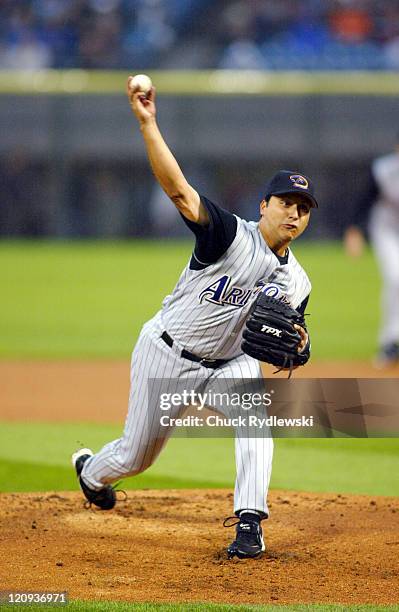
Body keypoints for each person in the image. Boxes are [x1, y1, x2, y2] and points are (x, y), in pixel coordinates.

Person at [72, 77, 318, 560]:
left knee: (256, 419)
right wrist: (148, 124)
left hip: (228, 365)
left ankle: (250, 524)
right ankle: (90, 474)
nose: (294, 213)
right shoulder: (228, 235)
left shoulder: (300, 280)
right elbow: (181, 193)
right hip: (166, 353)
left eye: (304, 208)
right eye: (286, 202)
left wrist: (302, 346)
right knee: (134, 457)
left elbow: (294, 331)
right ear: (263, 205)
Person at [344, 140, 399, 366]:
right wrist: (354, 230)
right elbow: (364, 201)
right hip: (387, 230)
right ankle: (391, 342)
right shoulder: (383, 169)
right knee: (396, 278)